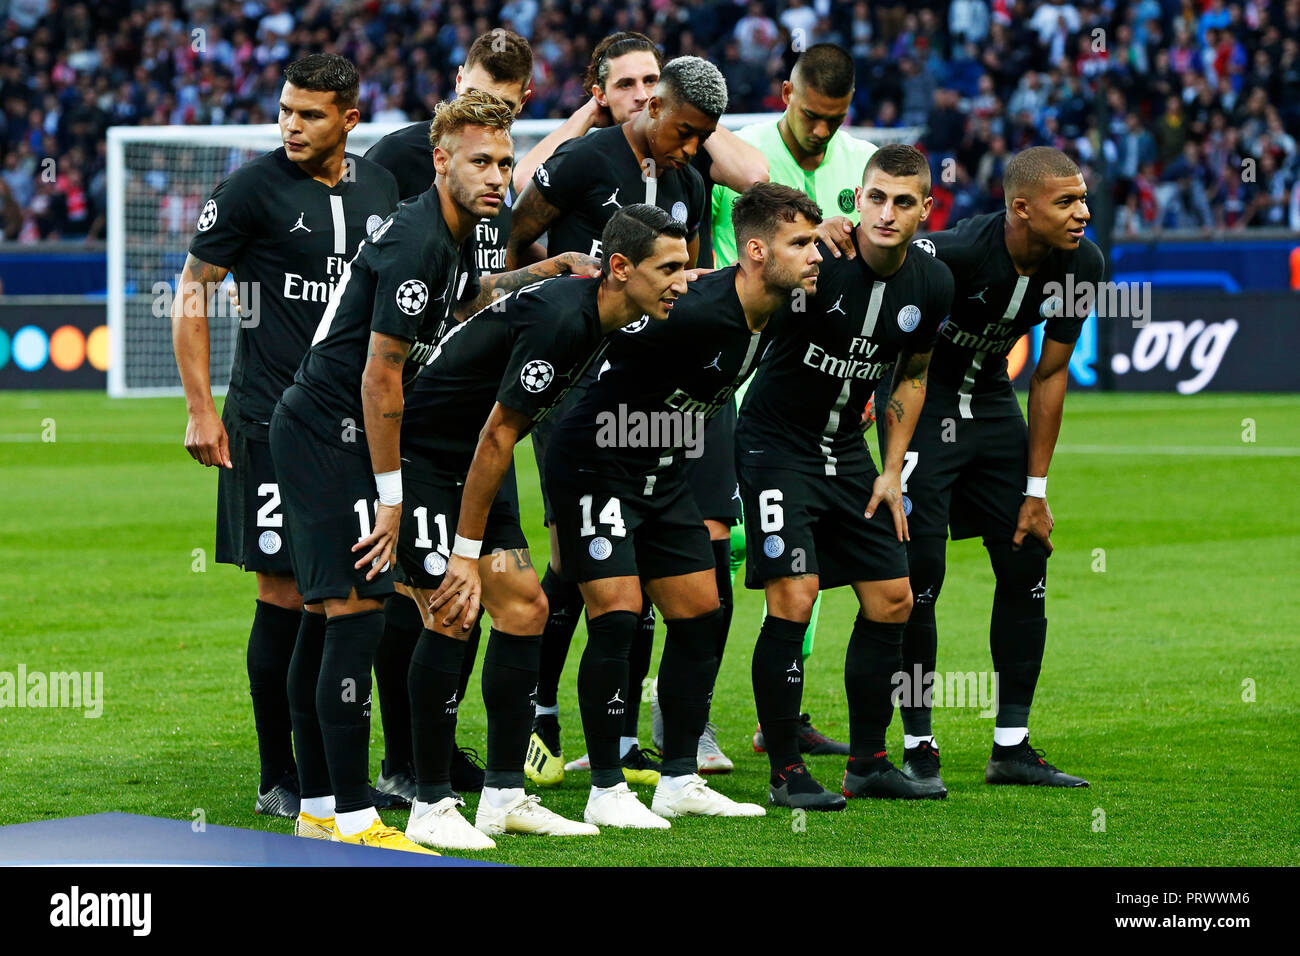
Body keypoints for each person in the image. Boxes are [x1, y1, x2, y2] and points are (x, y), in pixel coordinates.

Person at [267, 90, 518, 853]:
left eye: (506, 162)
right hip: (329, 432)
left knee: (326, 618)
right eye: (480, 161)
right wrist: (390, 498)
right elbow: (382, 378)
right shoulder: (418, 240)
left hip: (323, 429)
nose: (498, 177)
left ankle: (316, 807)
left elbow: (465, 302)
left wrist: (540, 270)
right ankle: (356, 820)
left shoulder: (447, 236)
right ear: (441, 161)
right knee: (356, 616)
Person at [402, 204, 691, 847]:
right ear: (620, 269)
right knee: (452, 608)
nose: (681, 280)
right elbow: (500, 432)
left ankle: (503, 796)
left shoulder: (602, 314)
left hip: (474, 461)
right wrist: (465, 552)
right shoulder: (566, 319)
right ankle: (428, 803)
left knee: (527, 608)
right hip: (422, 457)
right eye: (668, 268)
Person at [538, 182, 824, 828]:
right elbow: (592, 332)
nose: (814, 256)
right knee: (616, 617)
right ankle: (607, 787)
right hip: (596, 464)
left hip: (666, 472)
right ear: (755, 252)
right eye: (800, 244)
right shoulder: (690, 309)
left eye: (814, 242)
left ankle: (678, 779)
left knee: (701, 612)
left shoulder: (778, 308)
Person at [821, 146, 1102, 791]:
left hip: (995, 412)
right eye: (1068, 202)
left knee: (1027, 558)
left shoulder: (1083, 264)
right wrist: (845, 229)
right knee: (920, 576)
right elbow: (883, 267)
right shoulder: (957, 252)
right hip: (926, 408)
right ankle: (918, 740)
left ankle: (1012, 745)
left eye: (1083, 198)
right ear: (1022, 210)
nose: (1083, 212)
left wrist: (1037, 490)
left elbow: (1051, 374)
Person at [171, 53, 399, 819]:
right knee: (288, 591)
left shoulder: (379, 189)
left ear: (350, 118)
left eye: (309, 114)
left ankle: (333, 774)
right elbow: (192, 293)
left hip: (354, 428)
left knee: (345, 597)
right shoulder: (251, 189)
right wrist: (202, 409)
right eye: (285, 111)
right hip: (268, 420)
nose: (291, 126)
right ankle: (281, 776)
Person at [506, 55, 726, 787]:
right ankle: (540, 715)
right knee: (575, 560)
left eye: (702, 139)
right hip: (572, 388)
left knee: (633, 567)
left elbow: (685, 287)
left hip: (648, 395)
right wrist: (560, 297)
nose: (691, 149)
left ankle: (624, 735)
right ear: (654, 106)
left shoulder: (690, 183)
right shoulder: (585, 161)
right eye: (686, 132)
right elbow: (515, 239)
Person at [738, 146, 953, 811]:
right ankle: (786, 771)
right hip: (776, 446)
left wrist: (891, 471)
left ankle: (869, 762)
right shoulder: (816, 262)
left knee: (895, 597)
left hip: (849, 454)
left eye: (903, 201)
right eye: (876, 198)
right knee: (794, 599)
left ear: (925, 209)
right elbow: (743, 295)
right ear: (856, 201)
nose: (887, 213)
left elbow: (912, 376)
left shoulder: (932, 284)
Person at [363, 27, 536, 803]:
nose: (496, 166)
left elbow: (479, 295)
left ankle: (449, 759)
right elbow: (377, 312)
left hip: (471, 422)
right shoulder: (402, 165)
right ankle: (398, 765)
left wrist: (548, 271)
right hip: (407, 420)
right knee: (415, 594)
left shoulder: (493, 196)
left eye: (505, 139)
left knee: (491, 592)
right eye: (479, 100)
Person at [712, 43, 879, 759]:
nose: (821, 133)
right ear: (786, 93)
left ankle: (783, 710)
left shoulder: (864, 163)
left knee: (803, 558)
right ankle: (678, 711)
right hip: (735, 387)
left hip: (820, 397)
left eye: (834, 121)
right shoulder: (737, 156)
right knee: (710, 546)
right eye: (811, 116)